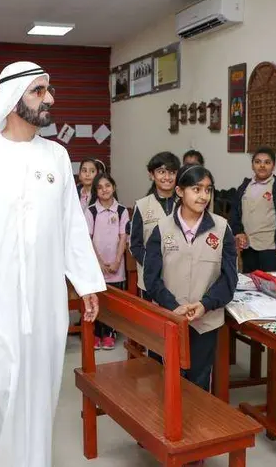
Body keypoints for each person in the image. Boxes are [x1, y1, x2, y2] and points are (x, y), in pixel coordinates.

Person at [0, 61, 105, 467]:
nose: (50, 98)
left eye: (49, 90)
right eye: (39, 91)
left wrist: (86, 282)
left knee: (38, 391)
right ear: (13, 99)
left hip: (45, 303)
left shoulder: (56, 156)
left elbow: (71, 225)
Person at [144, 164, 237, 391]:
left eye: (208, 190)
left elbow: (228, 279)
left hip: (204, 322)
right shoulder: (162, 228)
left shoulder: (222, 229)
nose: (203, 196)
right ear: (179, 192)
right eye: (196, 189)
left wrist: (205, 305)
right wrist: (173, 306)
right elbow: (151, 278)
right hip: (168, 318)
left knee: (199, 382)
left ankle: (194, 427)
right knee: (164, 381)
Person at [229, 147, 276, 273]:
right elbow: (235, 213)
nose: (262, 166)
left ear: (273, 166)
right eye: (258, 162)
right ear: (252, 165)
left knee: (271, 286)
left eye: (267, 162)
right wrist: (238, 232)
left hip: (271, 249)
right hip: (248, 247)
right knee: (251, 286)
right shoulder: (244, 187)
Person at [84, 172, 129, 351]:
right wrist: (100, 263)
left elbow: (123, 237)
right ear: (96, 191)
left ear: (114, 187)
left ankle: (110, 334)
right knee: (97, 300)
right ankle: (96, 334)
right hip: (97, 266)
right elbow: (88, 238)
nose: (104, 190)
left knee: (113, 302)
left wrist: (117, 261)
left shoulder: (121, 211)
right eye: (100, 187)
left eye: (107, 186)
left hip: (116, 266)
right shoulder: (91, 211)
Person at [129, 152, 180, 297]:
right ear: (152, 175)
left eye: (171, 172)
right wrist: (153, 264)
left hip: (180, 277)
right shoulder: (142, 205)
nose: (167, 177)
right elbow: (135, 245)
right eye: (161, 172)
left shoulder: (186, 204)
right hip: (150, 278)